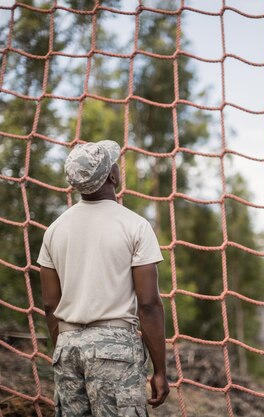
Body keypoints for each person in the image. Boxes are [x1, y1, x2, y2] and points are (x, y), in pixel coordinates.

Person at [38, 140, 169, 416]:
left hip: (67, 346)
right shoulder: (135, 226)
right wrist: (160, 370)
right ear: (112, 175)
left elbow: (50, 303)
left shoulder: (54, 230)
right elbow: (148, 304)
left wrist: (65, 346)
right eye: (114, 163)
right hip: (115, 349)